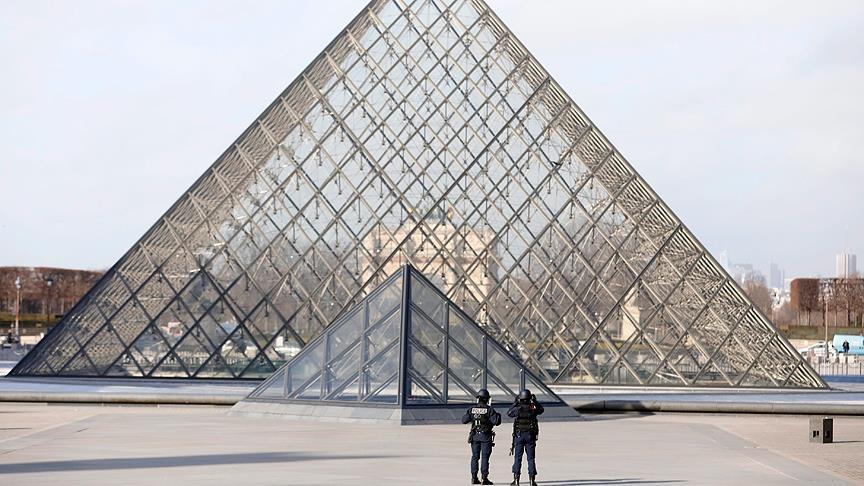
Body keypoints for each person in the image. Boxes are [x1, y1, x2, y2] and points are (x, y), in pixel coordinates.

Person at [462, 389, 502, 485]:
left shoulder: (472, 409)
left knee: (475, 457)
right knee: (485, 458)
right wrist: (497, 414)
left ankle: (474, 477)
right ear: (486, 399)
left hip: (475, 436)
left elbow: (464, 420)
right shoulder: (489, 410)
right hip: (485, 436)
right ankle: (484, 478)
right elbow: (496, 422)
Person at [508, 389, 544, 486]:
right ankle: (532, 480)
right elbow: (541, 410)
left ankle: (516, 480)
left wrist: (515, 402)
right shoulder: (533, 407)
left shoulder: (518, 408)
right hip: (530, 436)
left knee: (517, 458)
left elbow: (509, 413)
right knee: (531, 458)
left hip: (519, 435)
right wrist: (535, 401)